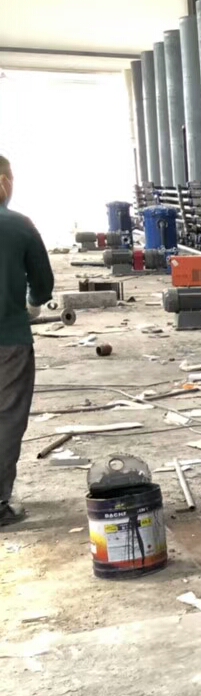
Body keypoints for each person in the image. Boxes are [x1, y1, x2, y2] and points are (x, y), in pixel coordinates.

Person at [0, 155, 55, 527]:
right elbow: (43, 284)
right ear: (5, 181)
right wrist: (32, 305)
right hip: (9, 339)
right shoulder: (18, 225)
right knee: (6, 418)